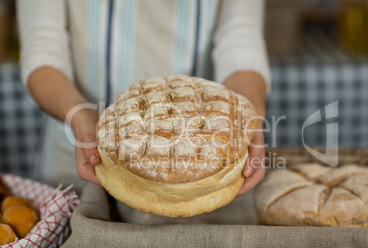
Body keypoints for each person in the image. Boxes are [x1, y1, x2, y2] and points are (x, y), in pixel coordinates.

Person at [17, 0, 269, 196]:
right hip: (80, 145)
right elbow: (43, 47)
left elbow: (239, 40)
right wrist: (80, 116)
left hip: (197, 162)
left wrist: (246, 114)